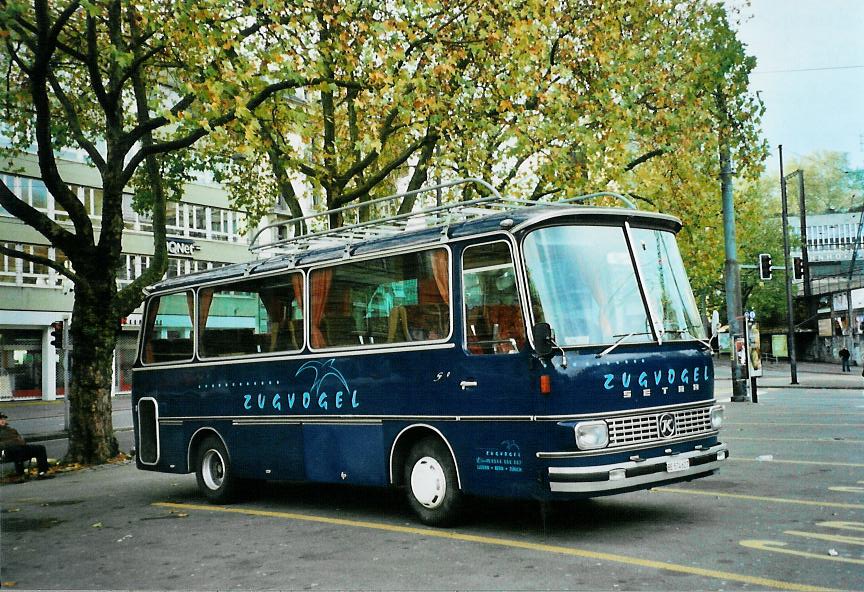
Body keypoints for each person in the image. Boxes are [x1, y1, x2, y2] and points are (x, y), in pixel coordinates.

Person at [0, 412, 51, 478]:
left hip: (20, 448)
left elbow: (22, 441)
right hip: (5, 452)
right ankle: (20, 474)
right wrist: (12, 442)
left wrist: (18, 442)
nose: (3, 421)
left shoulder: (11, 430)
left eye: (4, 419)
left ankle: (42, 472)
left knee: (40, 448)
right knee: (16, 449)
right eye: (0, 419)